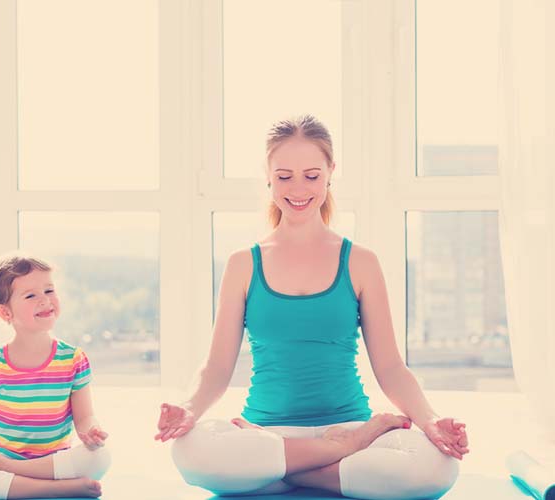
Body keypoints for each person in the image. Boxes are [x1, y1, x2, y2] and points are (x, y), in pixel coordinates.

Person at [155, 115, 469, 499]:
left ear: (330, 173)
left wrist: (432, 421)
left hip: (352, 424)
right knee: (190, 452)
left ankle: (291, 473)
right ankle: (333, 459)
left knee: (436, 467)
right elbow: (218, 368)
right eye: (284, 176)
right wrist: (189, 409)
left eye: (312, 175)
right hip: (268, 436)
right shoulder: (243, 264)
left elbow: (389, 366)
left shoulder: (360, 262)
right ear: (268, 176)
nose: (298, 189)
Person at [0, 254, 111, 499]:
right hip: (5, 454)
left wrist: (92, 432)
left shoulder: (73, 359)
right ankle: (56, 489)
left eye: (49, 290)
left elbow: (85, 416)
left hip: (53, 461)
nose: (45, 301)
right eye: (31, 295)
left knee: (100, 457)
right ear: (5, 312)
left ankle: (15, 476)